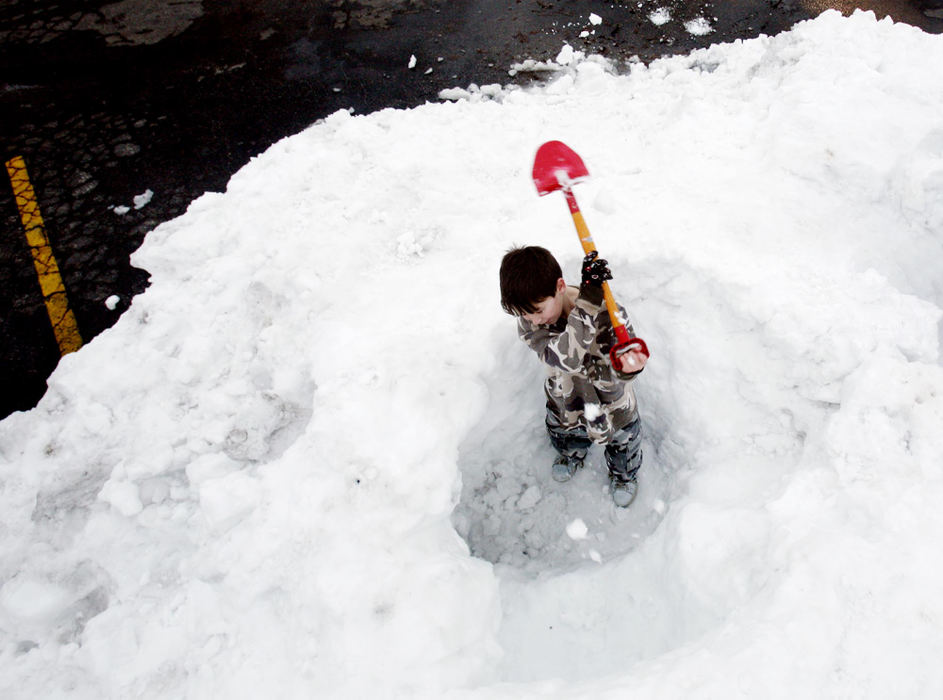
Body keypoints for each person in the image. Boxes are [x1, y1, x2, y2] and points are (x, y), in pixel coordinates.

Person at [499, 245, 648, 507]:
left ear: (559, 286)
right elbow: (565, 358)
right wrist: (587, 303)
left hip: (611, 402)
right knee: (566, 434)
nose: (532, 320)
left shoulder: (609, 313)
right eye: (523, 314)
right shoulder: (532, 325)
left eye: (537, 310)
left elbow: (625, 368)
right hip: (567, 400)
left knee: (622, 440)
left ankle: (624, 475)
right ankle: (572, 455)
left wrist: (630, 367)